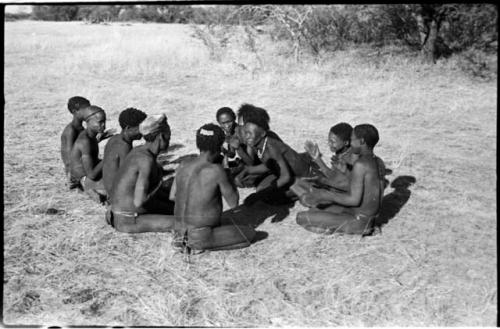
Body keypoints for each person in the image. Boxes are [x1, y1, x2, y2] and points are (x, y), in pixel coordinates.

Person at [171, 123, 256, 252]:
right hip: (200, 235)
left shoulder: (183, 164)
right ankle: (199, 245)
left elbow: (172, 196)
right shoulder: (216, 170)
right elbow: (233, 203)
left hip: (178, 232)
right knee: (250, 234)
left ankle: (185, 243)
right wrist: (226, 168)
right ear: (219, 146)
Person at [295, 124, 386, 235]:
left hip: (358, 219)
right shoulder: (378, 161)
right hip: (361, 214)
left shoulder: (361, 164)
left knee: (300, 217)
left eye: (352, 140)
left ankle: (352, 230)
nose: (350, 144)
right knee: (314, 210)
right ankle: (359, 226)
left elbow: (354, 200)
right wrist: (345, 171)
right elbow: (365, 190)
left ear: (361, 141)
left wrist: (324, 194)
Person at [106, 114, 175, 233]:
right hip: (128, 219)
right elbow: (140, 201)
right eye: (169, 136)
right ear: (161, 137)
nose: (169, 140)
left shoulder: (140, 151)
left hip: (120, 214)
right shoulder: (145, 160)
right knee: (187, 222)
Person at [291, 122, 357, 195]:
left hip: (340, 192)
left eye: (333, 142)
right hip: (336, 185)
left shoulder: (348, 158)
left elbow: (334, 178)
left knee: (296, 184)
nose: (329, 144)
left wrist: (318, 160)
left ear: (346, 143)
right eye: (329, 140)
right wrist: (316, 158)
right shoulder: (343, 152)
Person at [102, 107, 147, 197]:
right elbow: (128, 178)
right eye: (140, 128)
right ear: (128, 128)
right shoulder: (124, 147)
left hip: (109, 189)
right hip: (117, 196)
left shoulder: (114, 139)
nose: (143, 132)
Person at [69, 105, 109, 202]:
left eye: (105, 121)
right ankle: (89, 190)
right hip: (85, 179)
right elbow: (91, 175)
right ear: (88, 122)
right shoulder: (85, 141)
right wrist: (107, 158)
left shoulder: (90, 136)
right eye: (100, 122)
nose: (104, 125)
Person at [61, 96, 91, 190]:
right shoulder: (71, 131)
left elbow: (82, 147)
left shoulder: (80, 129)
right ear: (75, 111)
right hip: (75, 172)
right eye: (85, 110)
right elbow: (70, 157)